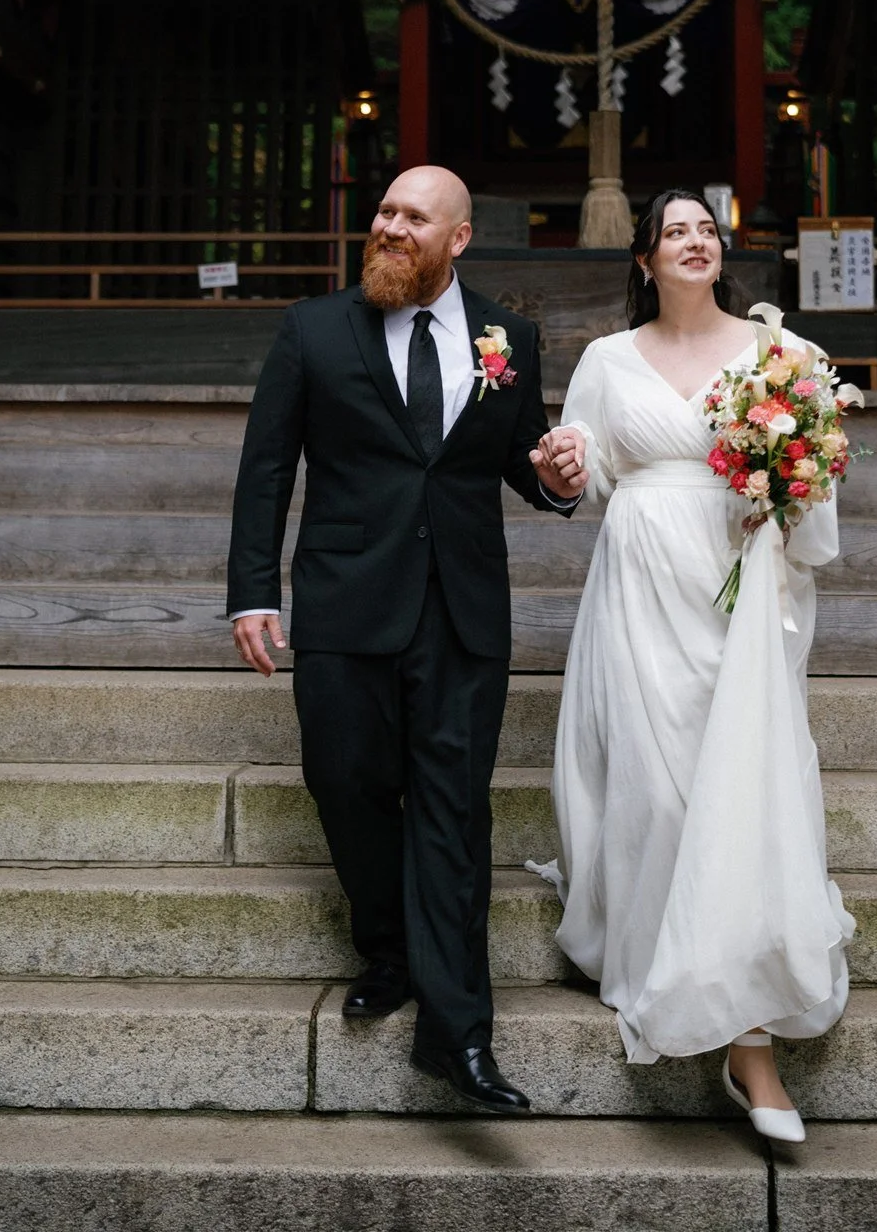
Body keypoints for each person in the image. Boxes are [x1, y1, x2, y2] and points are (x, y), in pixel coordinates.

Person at [228, 164, 588, 1115]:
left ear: (457, 238)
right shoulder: (313, 330)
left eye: (411, 217)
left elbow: (525, 470)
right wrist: (251, 593)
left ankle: (458, 1036)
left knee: (452, 810)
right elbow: (266, 468)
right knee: (344, 782)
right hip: (348, 601)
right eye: (384, 211)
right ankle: (387, 945)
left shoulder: (510, 338)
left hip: (463, 612)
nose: (389, 227)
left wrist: (557, 475)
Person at [532, 186, 854, 1144]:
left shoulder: (781, 356)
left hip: (738, 587)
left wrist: (782, 497)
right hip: (638, 590)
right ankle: (670, 964)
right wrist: (558, 468)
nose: (693, 241)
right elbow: (582, 472)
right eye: (674, 231)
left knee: (737, 789)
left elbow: (814, 480)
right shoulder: (603, 359)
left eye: (706, 230)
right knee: (663, 792)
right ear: (644, 259)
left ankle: (748, 1037)